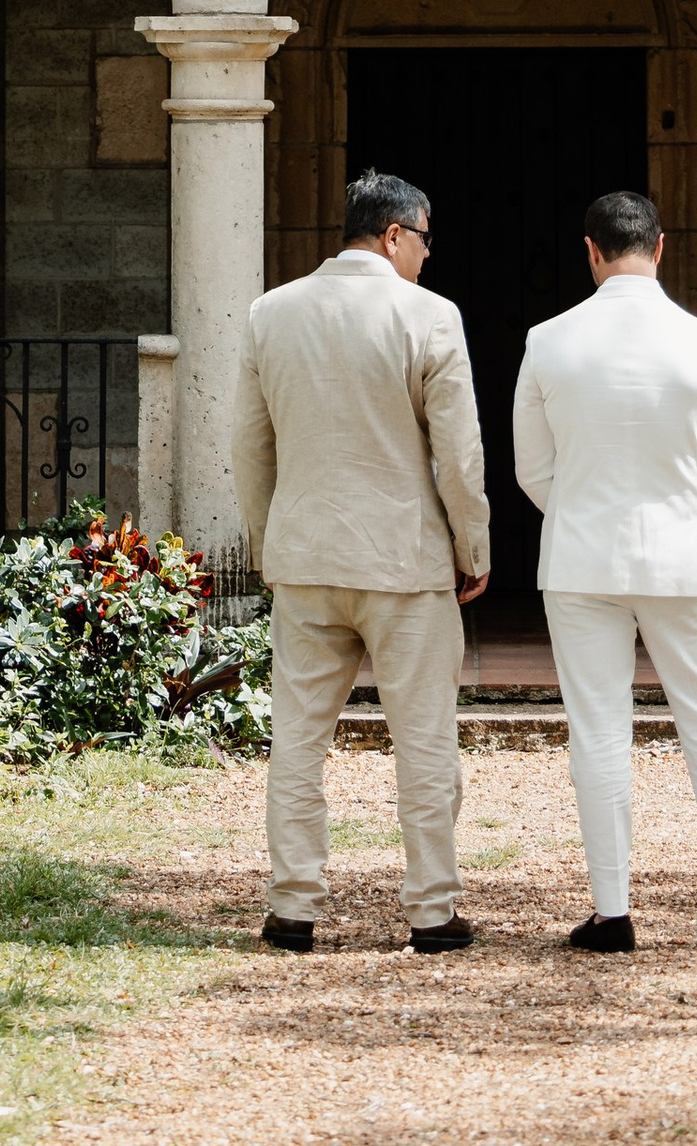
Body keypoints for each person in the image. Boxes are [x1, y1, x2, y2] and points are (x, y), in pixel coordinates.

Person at [513, 185, 697, 954]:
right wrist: (678, 514)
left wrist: (580, 512)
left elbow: (532, 469)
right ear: (661, 247)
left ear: (591, 251)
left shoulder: (547, 339)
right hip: (679, 552)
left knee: (598, 732)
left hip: (578, 556)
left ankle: (612, 913)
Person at [232, 165, 490, 956]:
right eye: (422, 241)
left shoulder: (270, 311)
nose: (425, 256)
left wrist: (267, 540)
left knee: (299, 744)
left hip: (306, 555)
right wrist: (471, 545)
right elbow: (458, 453)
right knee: (423, 742)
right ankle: (433, 912)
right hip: (405, 561)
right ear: (393, 234)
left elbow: (249, 444)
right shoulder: (430, 314)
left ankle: (293, 907)